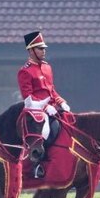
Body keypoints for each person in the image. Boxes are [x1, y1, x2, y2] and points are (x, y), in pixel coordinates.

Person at [17, 31, 70, 178]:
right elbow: (28, 97)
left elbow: (51, 90)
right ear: (31, 50)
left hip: (51, 107)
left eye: (44, 48)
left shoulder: (47, 67)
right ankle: (36, 165)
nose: (43, 51)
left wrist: (61, 102)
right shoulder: (25, 71)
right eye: (40, 48)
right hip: (35, 110)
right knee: (45, 131)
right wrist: (46, 107)